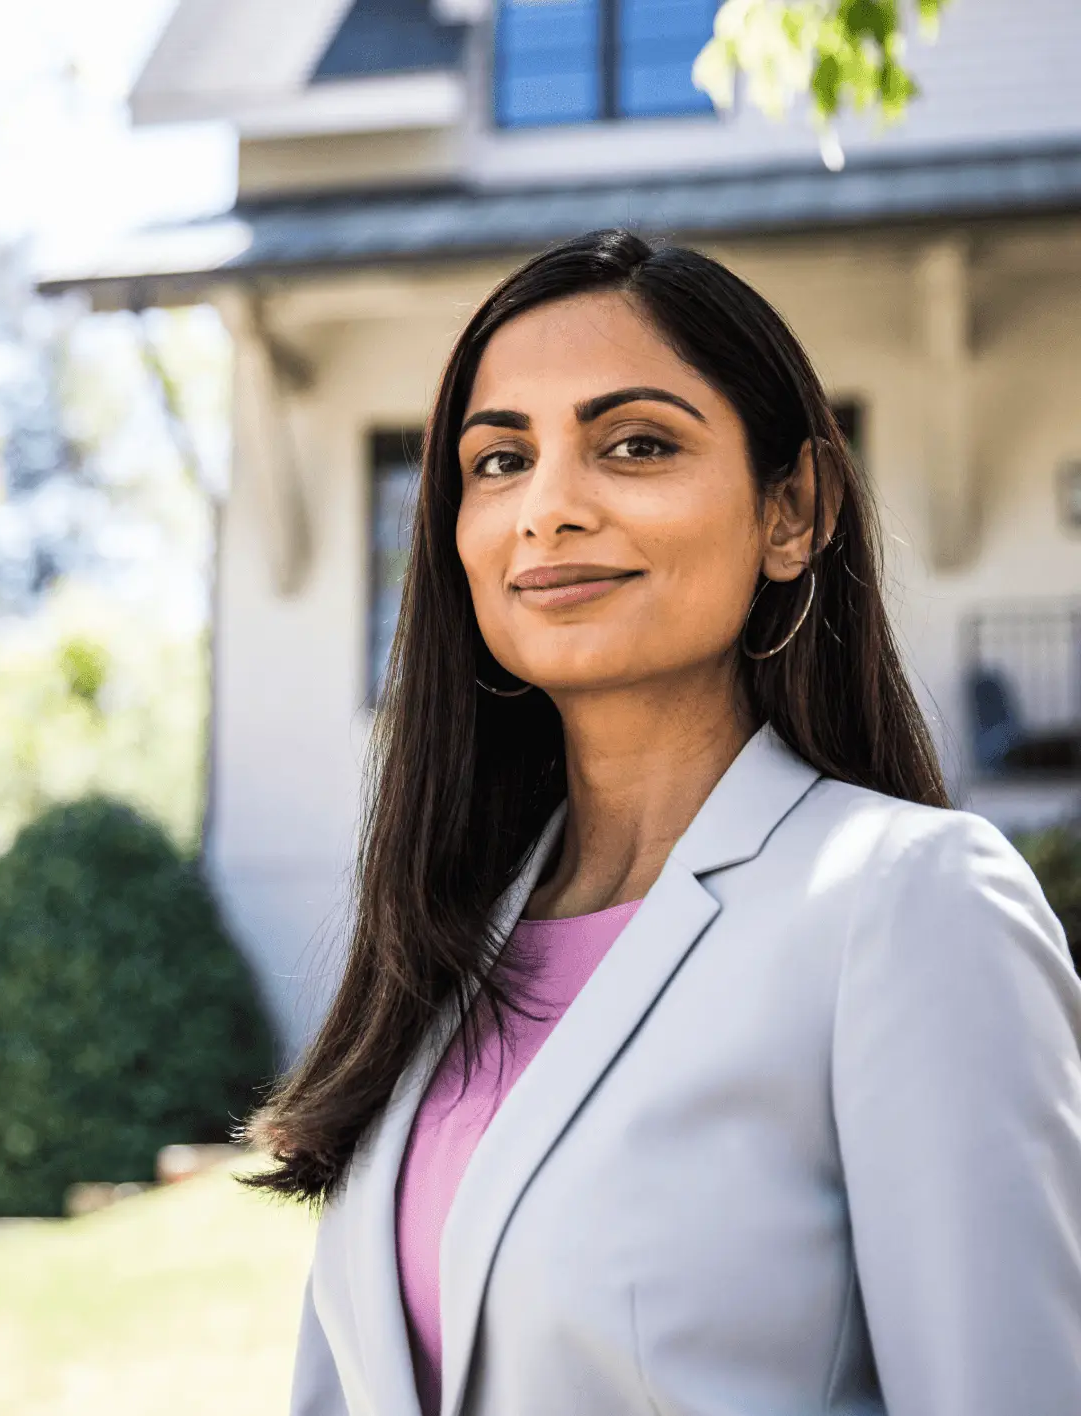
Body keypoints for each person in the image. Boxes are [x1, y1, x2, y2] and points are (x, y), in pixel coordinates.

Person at [245, 230, 1081, 1416]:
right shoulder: (440, 945)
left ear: (792, 511)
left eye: (634, 445)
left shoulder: (910, 905)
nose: (548, 510)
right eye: (497, 461)